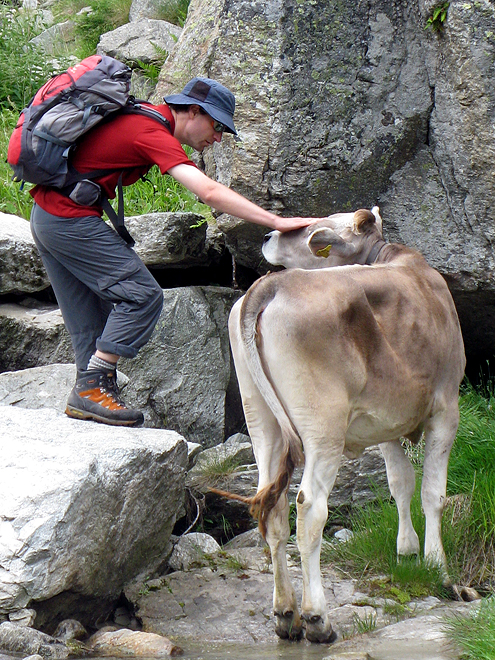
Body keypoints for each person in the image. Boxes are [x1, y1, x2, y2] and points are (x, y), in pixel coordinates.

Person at [30, 76, 322, 427]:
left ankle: (90, 395)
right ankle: (93, 386)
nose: (217, 138)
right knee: (142, 296)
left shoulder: (144, 118)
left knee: (90, 314)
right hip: (67, 220)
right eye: (217, 126)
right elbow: (208, 193)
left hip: (47, 217)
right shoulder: (149, 130)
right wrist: (276, 220)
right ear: (193, 111)